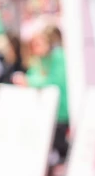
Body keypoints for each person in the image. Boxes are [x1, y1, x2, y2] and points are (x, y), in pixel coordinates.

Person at [14, 25, 69, 161]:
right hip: (45, 112)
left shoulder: (59, 56)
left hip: (61, 112)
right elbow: (33, 76)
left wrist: (29, 81)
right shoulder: (38, 60)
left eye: (38, 43)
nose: (35, 47)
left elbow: (55, 81)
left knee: (61, 147)